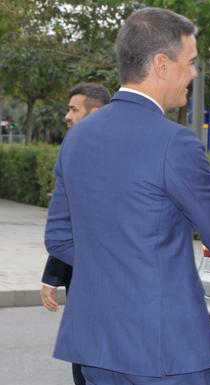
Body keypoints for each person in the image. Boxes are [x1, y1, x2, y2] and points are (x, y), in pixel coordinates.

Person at [44, 7, 210, 385]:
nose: (195, 73)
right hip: (165, 350)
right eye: (191, 61)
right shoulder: (175, 143)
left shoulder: (76, 139)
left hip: (94, 346)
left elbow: (57, 238)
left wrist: (113, 266)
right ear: (161, 65)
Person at [41, 82, 110, 385]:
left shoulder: (114, 158)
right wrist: (52, 276)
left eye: (73, 109)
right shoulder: (73, 153)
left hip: (113, 286)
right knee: (82, 361)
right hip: (82, 282)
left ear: (95, 114)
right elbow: (70, 226)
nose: (67, 116)